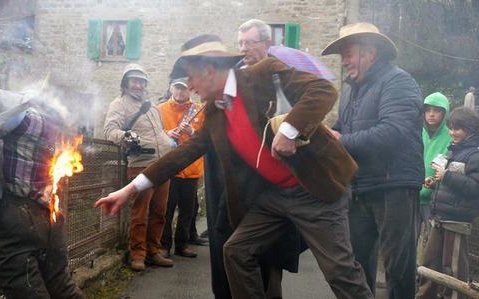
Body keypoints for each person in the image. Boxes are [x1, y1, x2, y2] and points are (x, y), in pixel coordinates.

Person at [96, 34, 373, 299]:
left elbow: (323, 89)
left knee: (339, 271)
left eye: (191, 76)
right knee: (236, 251)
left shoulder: (263, 73)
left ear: (209, 71)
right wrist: (130, 189)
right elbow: (183, 154)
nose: (190, 86)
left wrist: (289, 130)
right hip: (275, 197)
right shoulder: (216, 113)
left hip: (314, 190)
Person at [323, 22, 424, 298]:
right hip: (359, 186)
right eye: (342, 55)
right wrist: (319, 134)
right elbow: (341, 129)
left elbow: (393, 133)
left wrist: (339, 140)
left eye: (348, 54)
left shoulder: (398, 81)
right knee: (357, 265)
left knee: (398, 268)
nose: (344, 62)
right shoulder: (350, 92)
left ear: (370, 52)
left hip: (395, 186)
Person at [0, 97, 84, 299]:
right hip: (51, 213)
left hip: (17, 215)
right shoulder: (58, 125)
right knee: (62, 286)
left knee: (26, 288)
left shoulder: (19, 114)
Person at [103, 63, 174, 271]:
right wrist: (125, 136)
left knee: (160, 212)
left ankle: (154, 251)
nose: (138, 85)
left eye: (142, 81)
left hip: (163, 165)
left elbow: (159, 131)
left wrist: (169, 142)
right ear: (126, 83)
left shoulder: (152, 106)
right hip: (141, 165)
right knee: (140, 213)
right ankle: (138, 254)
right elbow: (110, 130)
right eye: (134, 81)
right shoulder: (119, 104)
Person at [416, 107, 479, 299]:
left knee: (453, 268)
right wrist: (434, 183)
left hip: (456, 221)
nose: (452, 132)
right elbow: (450, 185)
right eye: (451, 128)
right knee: (430, 264)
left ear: (470, 129)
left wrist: (446, 176)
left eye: (457, 128)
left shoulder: (478, 156)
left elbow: (476, 188)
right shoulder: (454, 150)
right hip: (440, 218)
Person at [158, 77, 205, 258]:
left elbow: (205, 135)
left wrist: (191, 132)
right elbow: (155, 132)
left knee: (187, 210)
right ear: (171, 88)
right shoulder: (160, 109)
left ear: (190, 91)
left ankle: (182, 245)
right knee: (167, 210)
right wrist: (167, 134)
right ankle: (164, 245)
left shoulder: (198, 110)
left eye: (184, 89)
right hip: (169, 166)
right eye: (177, 88)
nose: (180, 92)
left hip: (191, 167)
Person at [420, 92, 452, 243]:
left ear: (445, 113)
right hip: (412, 194)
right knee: (406, 240)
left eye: (437, 110)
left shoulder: (451, 136)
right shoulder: (417, 131)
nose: (431, 114)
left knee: (433, 243)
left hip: (435, 198)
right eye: (428, 110)